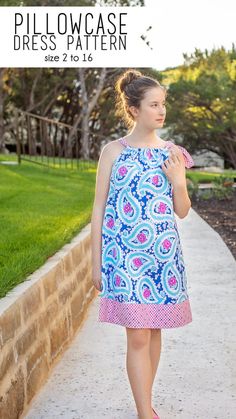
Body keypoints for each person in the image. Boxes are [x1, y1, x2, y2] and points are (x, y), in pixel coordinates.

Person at [91, 69, 194, 419]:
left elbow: (182, 211)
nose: (161, 111)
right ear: (134, 109)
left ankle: (145, 404)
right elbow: (98, 208)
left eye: (163, 104)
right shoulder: (112, 152)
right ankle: (144, 413)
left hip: (162, 258)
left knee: (152, 332)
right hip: (123, 258)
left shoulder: (172, 153)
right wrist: (95, 262)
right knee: (136, 335)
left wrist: (178, 180)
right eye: (153, 105)